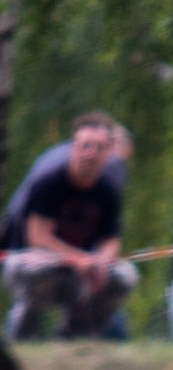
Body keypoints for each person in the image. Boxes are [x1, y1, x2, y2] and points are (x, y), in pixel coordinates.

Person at [3, 113, 139, 340]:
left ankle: (77, 339)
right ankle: (22, 334)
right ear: (73, 147)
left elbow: (111, 238)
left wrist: (102, 262)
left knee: (124, 276)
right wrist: (80, 260)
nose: (91, 154)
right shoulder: (49, 179)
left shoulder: (108, 188)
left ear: (108, 151)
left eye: (99, 148)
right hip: (30, 256)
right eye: (86, 146)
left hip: (80, 264)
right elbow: (38, 237)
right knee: (35, 273)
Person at [1, 122, 132, 251]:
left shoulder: (73, 152)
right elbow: (27, 210)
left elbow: (107, 227)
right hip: (27, 226)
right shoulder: (57, 168)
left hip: (52, 227)